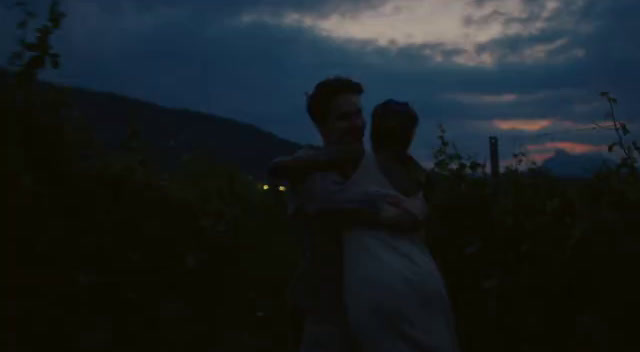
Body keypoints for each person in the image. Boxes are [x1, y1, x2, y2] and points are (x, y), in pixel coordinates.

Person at [273, 99, 459, 351]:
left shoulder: (356, 159)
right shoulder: (420, 177)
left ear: (373, 128)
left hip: (375, 284)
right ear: (411, 133)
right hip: (425, 280)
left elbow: (280, 168)